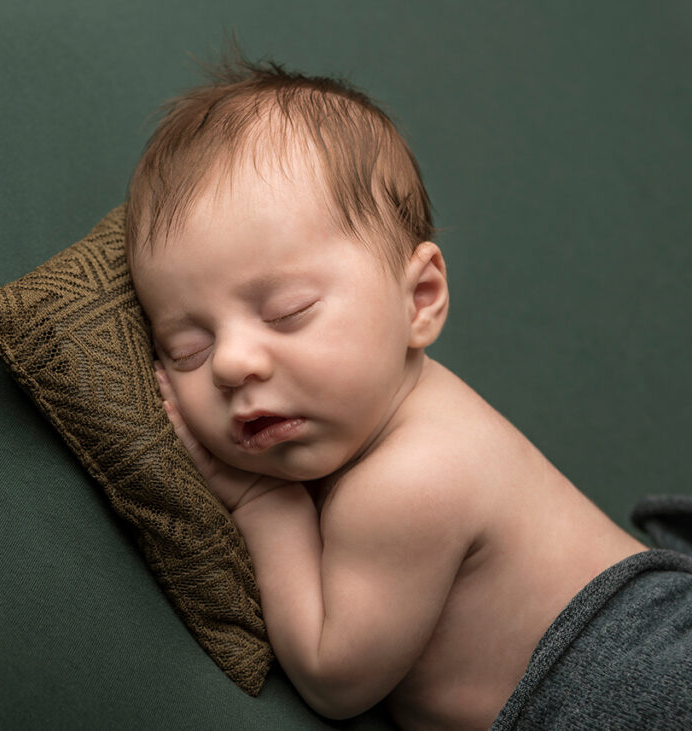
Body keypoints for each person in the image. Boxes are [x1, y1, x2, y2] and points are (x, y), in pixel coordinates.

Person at [123, 52, 655, 729]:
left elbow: (332, 677)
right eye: (187, 349)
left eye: (287, 310)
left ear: (420, 300)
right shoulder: (376, 425)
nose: (231, 364)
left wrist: (264, 505)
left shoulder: (409, 480)